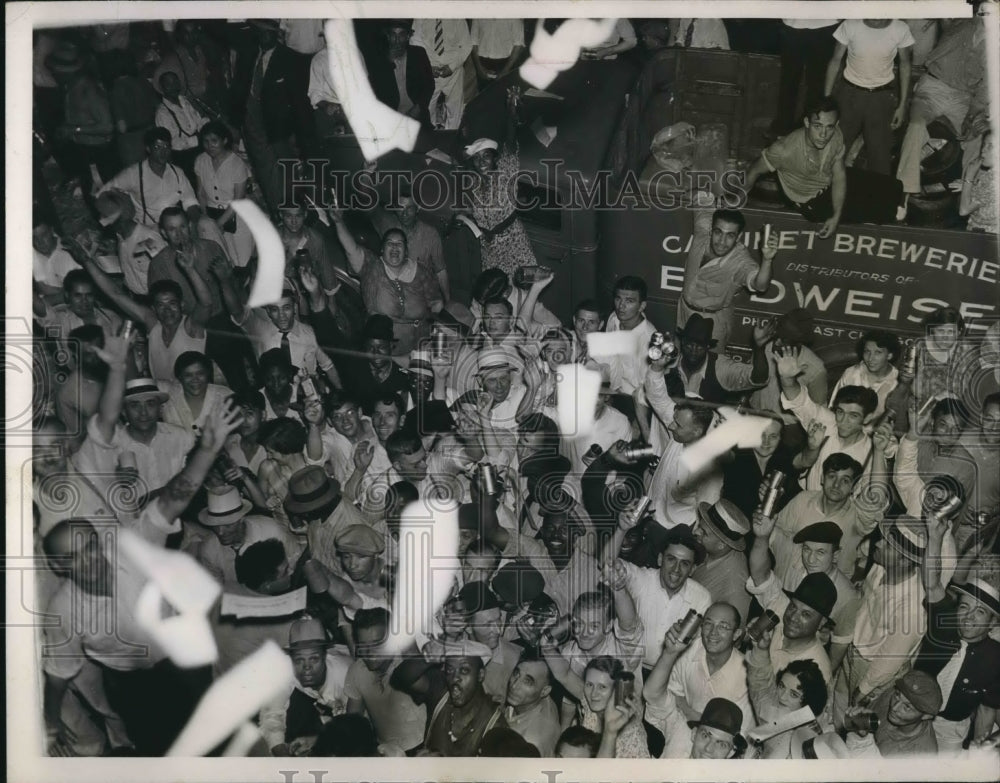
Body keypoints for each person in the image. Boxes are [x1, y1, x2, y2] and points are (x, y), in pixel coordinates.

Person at [41, 396, 243, 756]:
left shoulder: (129, 544)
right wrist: (51, 718)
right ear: (59, 568)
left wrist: (209, 448)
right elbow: (58, 673)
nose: (89, 560)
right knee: (159, 747)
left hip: (183, 657)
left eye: (90, 545)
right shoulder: (64, 609)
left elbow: (175, 497)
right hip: (131, 686)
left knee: (217, 735)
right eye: (74, 557)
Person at [743, 97, 904, 234]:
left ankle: (902, 204)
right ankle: (899, 215)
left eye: (829, 127)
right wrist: (738, 200)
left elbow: (840, 176)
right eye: (817, 126)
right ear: (807, 122)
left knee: (889, 185)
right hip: (810, 200)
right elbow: (754, 172)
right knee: (880, 212)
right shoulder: (783, 149)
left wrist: (837, 214)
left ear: (836, 124)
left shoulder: (836, 136)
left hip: (828, 179)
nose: (823, 135)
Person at [914, 512, 1000, 754]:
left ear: (992, 623)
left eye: (980, 612)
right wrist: (935, 536)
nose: (968, 616)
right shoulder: (944, 623)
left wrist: (980, 746)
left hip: (950, 729)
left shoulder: (995, 658)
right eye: (964, 606)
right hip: (911, 708)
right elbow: (931, 582)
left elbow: (986, 708)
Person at [832, 518, 931, 728]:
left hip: (874, 670)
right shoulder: (880, 567)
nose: (877, 544)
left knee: (857, 723)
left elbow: (889, 659)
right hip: (854, 652)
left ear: (904, 561)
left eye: (887, 545)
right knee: (839, 705)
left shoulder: (912, 607)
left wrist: (864, 690)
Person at [896, 17, 989, 215]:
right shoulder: (964, 22)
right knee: (916, 125)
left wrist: (972, 117)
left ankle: (966, 192)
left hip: (964, 97)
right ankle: (904, 191)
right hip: (932, 86)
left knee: (978, 137)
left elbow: (986, 89)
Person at [332, 209, 444, 358]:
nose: (395, 248)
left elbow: (436, 304)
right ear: (382, 249)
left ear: (406, 251)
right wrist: (338, 222)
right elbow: (352, 249)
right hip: (384, 353)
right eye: (390, 243)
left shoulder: (422, 272)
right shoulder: (372, 267)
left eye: (399, 244)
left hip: (419, 349)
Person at [677, 207, 777, 354]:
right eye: (718, 232)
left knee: (707, 368)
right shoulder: (702, 232)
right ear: (711, 229)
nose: (722, 242)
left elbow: (760, 285)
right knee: (677, 359)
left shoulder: (741, 262)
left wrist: (767, 260)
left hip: (711, 322)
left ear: (739, 236)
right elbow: (702, 197)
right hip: (684, 312)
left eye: (730, 235)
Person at [644, 602, 754, 734]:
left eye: (723, 626)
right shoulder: (688, 650)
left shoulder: (748, 673)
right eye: (708, 624)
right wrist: (670, 652)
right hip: (683, 727)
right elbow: (668, 694)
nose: (713, 632)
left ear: (736, 634)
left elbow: (737, 730)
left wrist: (694, 716)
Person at [459, 94, 538, 275]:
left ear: (495, 158)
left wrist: (511, 113)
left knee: (523, 291)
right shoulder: (474, 183)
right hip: (489, 249)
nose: (481, 162)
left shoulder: (506, 171)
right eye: (477, 159)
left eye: (486, 156)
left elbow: (509, 143)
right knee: (495, 294)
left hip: (513, 243)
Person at [823, 19, 914, 176]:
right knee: (835, 150)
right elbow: (835, 60)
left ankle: (877, 198)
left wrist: (902, 105)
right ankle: (825, 194)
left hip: (882, 98)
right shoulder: (850, 24)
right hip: (849, 96)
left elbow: (905, 65)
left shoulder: (900, 28)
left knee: (880, 156)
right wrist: (826, 101)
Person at [258, 616, 354, 756]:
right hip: (316, 706)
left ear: (324, 655)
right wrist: (280, 750)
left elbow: (358, 728)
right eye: (299, 660)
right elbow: (271, 713)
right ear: (291, 659)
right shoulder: (286, 668)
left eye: (314, 658)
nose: (307, 667)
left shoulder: (346, 675)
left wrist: (318, 740)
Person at [344, 609, 428, 755]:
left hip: (423, 748)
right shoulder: (356, 670)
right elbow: (353, 723)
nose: (369, 652)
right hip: (384, 752)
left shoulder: (408, 667)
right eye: (363, 645)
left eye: (377, 644)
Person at [664, 314, 773, 403]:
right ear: (682, 342)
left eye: (699, 345)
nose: (694, 349)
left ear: (708, 346)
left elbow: (759, 378)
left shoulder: (720, 367)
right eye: (689, 344)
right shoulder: (668, 363)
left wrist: (759, 347)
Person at [193, 120, 254, 269]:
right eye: (206, 142)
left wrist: (219, 223)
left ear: (224, 140)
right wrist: (205, 215)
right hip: (212, 214)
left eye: (214, 141)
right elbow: (200, 193)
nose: (210, 146)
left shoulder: (237, 164)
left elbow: (238, 200)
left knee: (243, 263)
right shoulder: (201, 160)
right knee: (223, 261)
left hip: (237, 215)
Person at [425, 646, 506, 756]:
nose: (454, 678)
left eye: (464, 670)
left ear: (480, 675)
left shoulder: (495, 725)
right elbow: (404, 676)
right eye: (449, 670)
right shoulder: (441, 698)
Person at [843, 670, 943, 757]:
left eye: (907, 707)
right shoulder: (891, 695)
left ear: (926, 716)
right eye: (897, 695)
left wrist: (862, 739)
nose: (894, 707)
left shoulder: (921, 754)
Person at [769, 19, 840, 139]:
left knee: (816, 85)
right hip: (793, 24)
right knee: (788, 82)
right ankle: (782, 131)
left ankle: (808, 134)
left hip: (825, 24)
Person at [93, 188, 167, 296]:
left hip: (152, 299)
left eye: (105, 216)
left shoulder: (149, 238)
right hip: (134, 298)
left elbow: (166, 273)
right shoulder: (120, 239)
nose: (102, 222)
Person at [361, 19, 435, 127]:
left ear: (408, 37)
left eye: (401, 35)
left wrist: (418, 108)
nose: (396, 40)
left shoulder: (418, 54)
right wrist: (388, 62)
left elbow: (429, 85)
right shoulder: (378, 59)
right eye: (393, 35)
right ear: (387, 36)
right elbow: (375, 93)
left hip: (417, 118)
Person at [690, 501, 753, 622]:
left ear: (721, 544)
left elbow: (734, 632)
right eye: (699, 526)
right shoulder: (712, 550)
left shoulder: (735, 587)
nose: (696, 532)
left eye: (704, 532)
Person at [37, 269, 123, 355]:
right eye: (78, 295)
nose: (84, 301)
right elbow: (41, 308)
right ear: (67, 295)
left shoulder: (110, 317)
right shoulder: (61, 320)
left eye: (89, 295)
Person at [412, 19, 473, 130]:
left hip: (454, 71)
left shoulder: (457, 16)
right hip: (429, 69)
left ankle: (451, 141)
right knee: (427, 110)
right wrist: (426, 66)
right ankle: (431, 141)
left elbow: (466, 45)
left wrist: (452, 67)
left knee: (455, 111)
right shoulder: (421, 13)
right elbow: (415, 41)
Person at [830, 330, 901, 421]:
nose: (870, 358)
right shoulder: (852, 373)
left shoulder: (898, 382)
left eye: (878, 353)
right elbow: (834, 408)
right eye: (867, 352)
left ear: (889, 355)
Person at [500, 653, 560, 757]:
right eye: (516, 674)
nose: (514, 686)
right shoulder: (544, 700)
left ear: (545, 691)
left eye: (527, 682)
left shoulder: (531, 741)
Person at [154, 69, 209, 182]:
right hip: (184, 157)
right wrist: (197, 139)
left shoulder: (185, 101)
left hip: (200, 150)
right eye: (169, 84)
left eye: (176, 82)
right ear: (162, 88)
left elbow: (198, 121)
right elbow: (173, 144)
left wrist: (206, 123)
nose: (174, 86)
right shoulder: (162, 113)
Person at [159, 351, 232, 434]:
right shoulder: (169, 395)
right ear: (180, 378)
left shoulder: (224, 396)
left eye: (200, 373)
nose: (195, 380)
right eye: (188, 375)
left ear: (208, 374)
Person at [960, 130, 997, 234]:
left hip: (986, 238)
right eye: (984, 145)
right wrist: (969, 185)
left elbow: (964, 210)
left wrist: (969, 177)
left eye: (990, 146)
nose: (983, 150)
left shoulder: (993, 179)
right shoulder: (990, 173)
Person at [469, 20, 525, 88]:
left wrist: (506, 71)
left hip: (506, 63)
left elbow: (518, 45)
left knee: (503, 96)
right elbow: (473, 42)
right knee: (484, 96)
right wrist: (479, 69)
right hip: (482, 64)